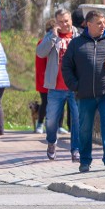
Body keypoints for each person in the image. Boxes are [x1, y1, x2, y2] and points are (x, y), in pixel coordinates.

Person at [61, 10, 105, 172]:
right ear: (89, 24)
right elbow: (66, 67)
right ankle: (85, 161)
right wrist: (75, 85)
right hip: (85, 95)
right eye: (99, 23)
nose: (103, 26)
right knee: (84, 129)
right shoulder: (76, 43)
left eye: (104, 22)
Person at [36, 8, 81, 161]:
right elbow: (40, 53)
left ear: (71, 20)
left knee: (77, 120)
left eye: (66, 21)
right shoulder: (50, 36)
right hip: (55, 87)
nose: (64, 24)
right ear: (56, 23)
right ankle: (51, 142)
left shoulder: (79, 35)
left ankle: (76, 150)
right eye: (60, 22)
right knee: (51, 121)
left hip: (75, 87)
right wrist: (53, 38)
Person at [34, 19, 55, 135]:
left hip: (48, 77)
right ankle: (40, 123)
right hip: (45, 77)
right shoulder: (44, 42)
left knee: (55, 102)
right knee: (46, 102)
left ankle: (55, 125)